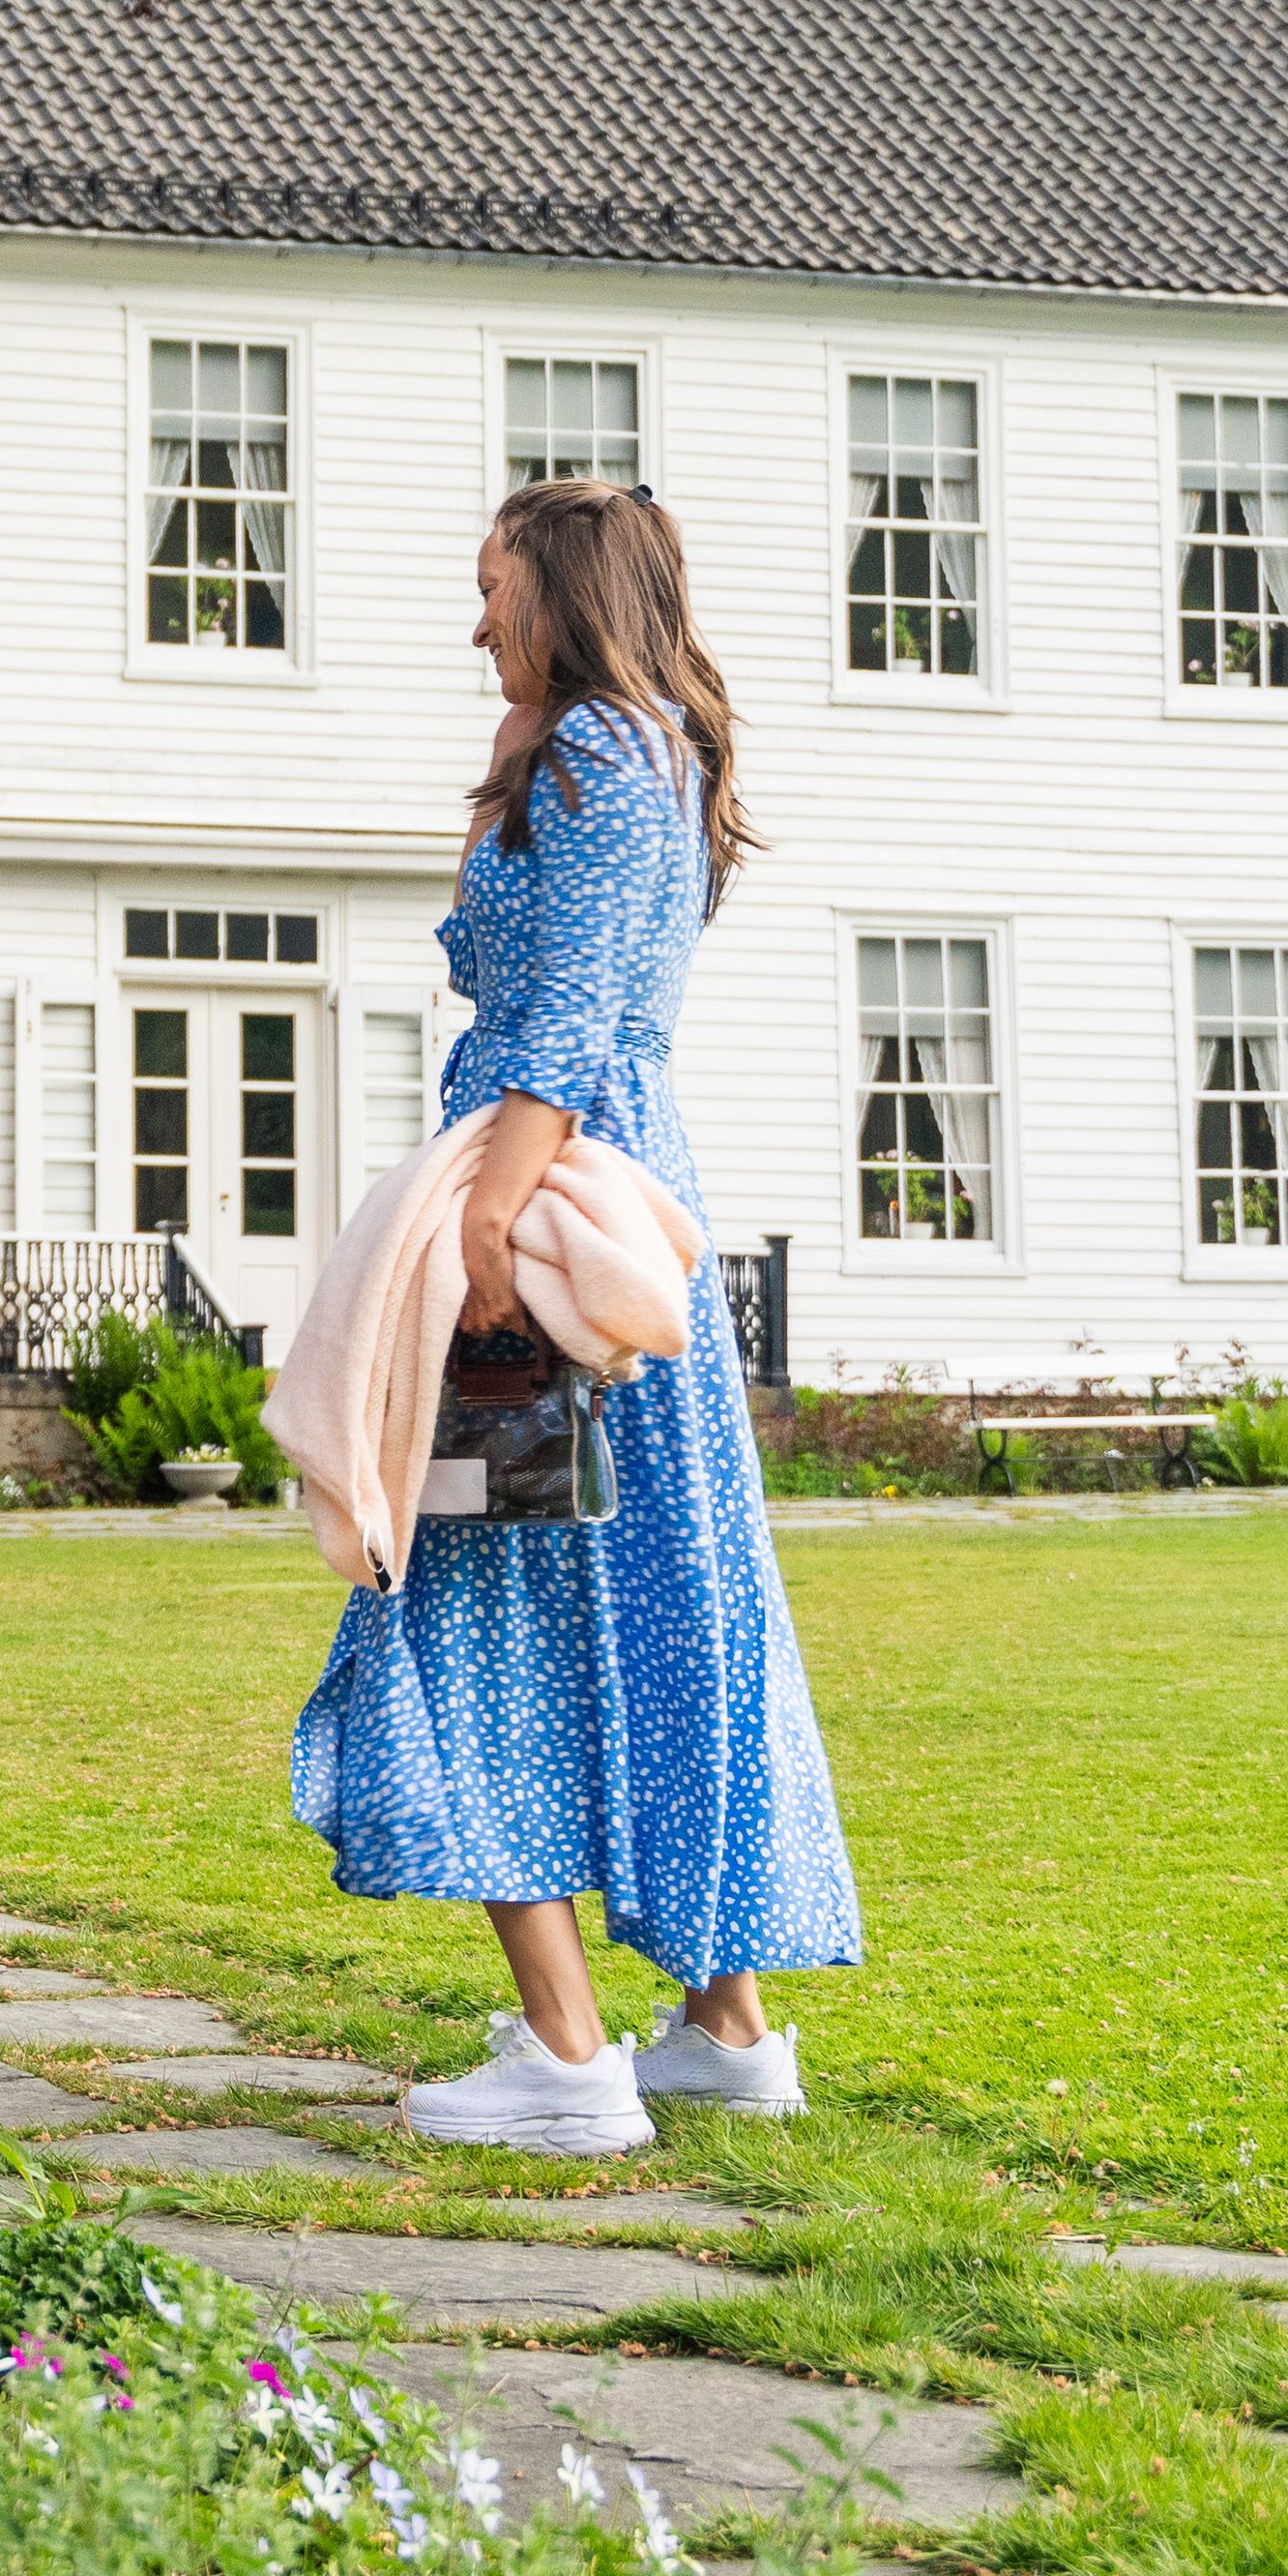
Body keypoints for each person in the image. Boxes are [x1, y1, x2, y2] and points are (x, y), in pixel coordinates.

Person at [288, 476, 866, 2154]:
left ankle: (565, 2060)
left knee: (464, 1594)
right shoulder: (627, 754)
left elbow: (567, 1005)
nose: (476, 624)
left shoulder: (606, 755)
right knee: (657, 1592)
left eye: (494, 591)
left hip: (550, 1231)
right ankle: (724, 2030)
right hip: (607, 1207)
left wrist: (485, 1217)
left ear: (567, 593)